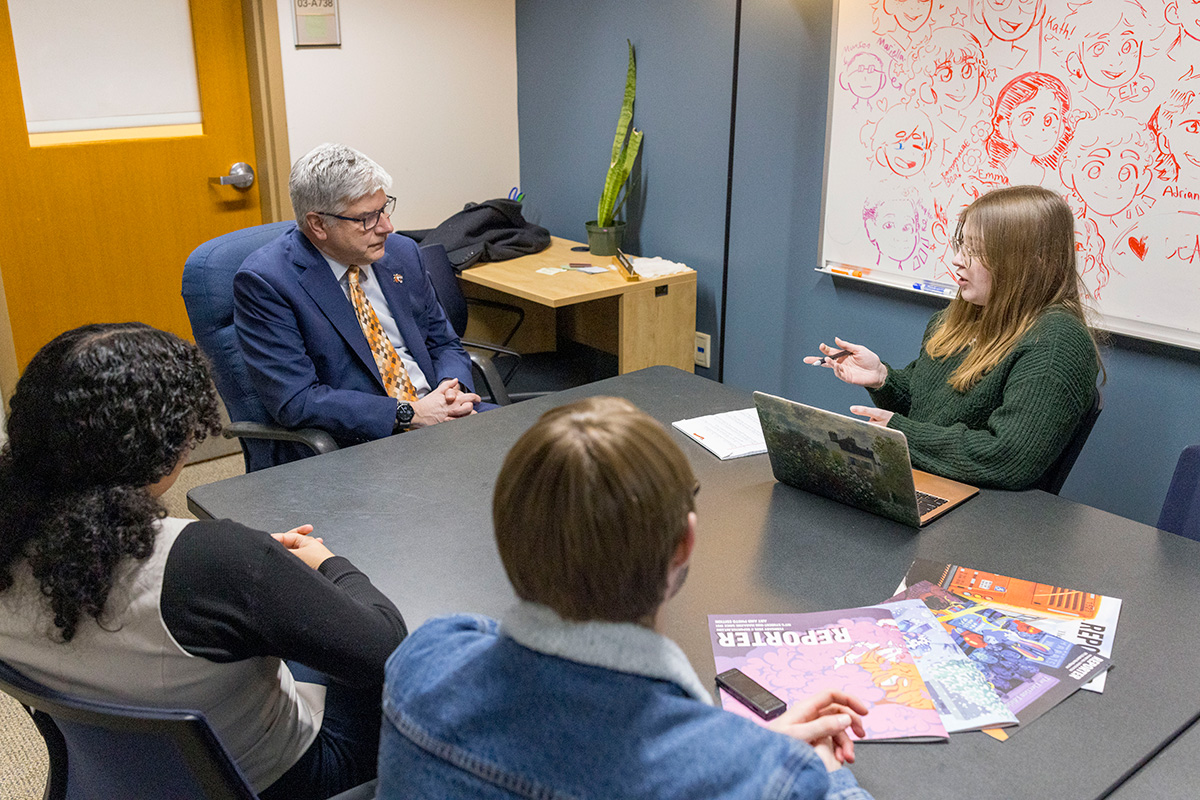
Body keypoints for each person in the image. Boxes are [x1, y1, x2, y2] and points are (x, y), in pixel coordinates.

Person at [376, 397, 875, 799]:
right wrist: (809, 771)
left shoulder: (422, 660)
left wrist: (743, 751)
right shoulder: (773, 779)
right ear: (684, 544)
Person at [0, 323, 407, 800]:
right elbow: (386, 648)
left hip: (121, 777)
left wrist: (249, 573)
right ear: (166, 448)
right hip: (284, 781)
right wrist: (326, 564)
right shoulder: (219, 562)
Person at [804, 185, 1101, 491]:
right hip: (925, 481)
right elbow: (924, 407)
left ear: (1027, 261)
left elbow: (1008, 457)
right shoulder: (957, 318)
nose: (958, 259)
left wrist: (900, 433)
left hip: (983, 512)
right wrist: (882, 378)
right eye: (961, 245)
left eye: (976, 250)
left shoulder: (1056, 341)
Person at [234, 142, 481, 469]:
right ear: (318, 225)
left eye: (384, 208)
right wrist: (410, 413)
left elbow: (443, 341)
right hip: (361, 443)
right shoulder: (267, 282)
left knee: (546, 460)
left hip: (442, 414)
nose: (386, 227)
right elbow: (298, 400)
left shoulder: (401, 253)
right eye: (367, 218)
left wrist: (453, 391)